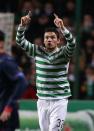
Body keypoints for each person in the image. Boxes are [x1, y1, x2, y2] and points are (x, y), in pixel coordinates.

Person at [16, 12, 76, 131]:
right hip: (42, 100)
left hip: (59, 100)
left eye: (53, 37)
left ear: (58, 40)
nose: (49, 39)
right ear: (43, 40)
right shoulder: (37, 51)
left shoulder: (64, 53)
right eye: (47, 37)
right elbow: (20, 41)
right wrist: (22, 26)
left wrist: (62, 28)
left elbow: (72, 43)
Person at [0, 30, 27, 130]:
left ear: (1, 43)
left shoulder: (6, 61)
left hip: (4, 116)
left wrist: (9, 107)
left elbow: (22, 82)